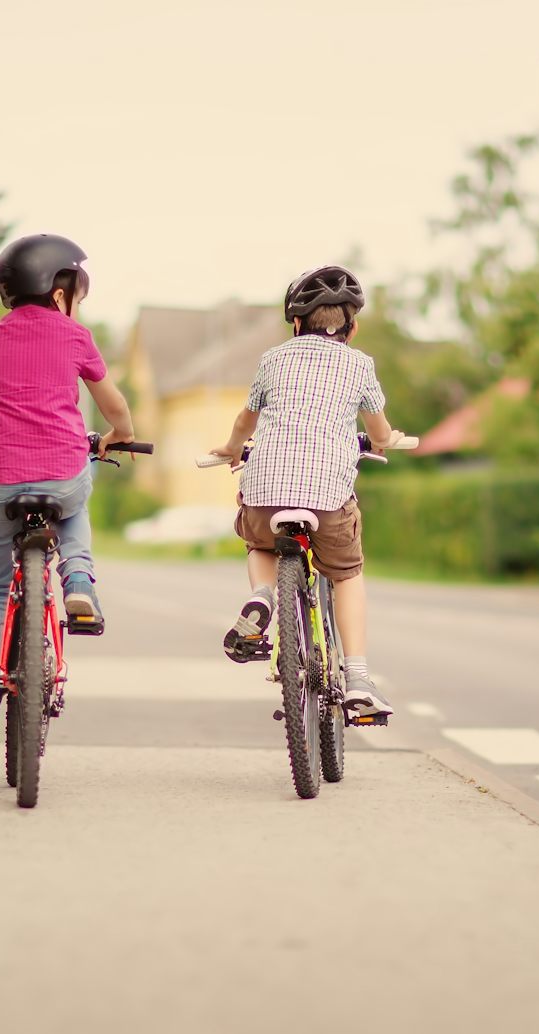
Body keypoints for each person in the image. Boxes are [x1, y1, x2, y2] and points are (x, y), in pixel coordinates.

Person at [0, 233, 136, 756]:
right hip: (61, 475)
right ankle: (77, 579)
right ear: (60, 293)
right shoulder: (76, 337)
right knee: (78, 490)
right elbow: (116, 408)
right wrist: (119, 435)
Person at [208, 265, 397, 720]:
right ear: (352, 326)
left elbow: (245, 421)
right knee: (346, 573)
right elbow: (378, 430)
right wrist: (385, 440)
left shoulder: (273, 359)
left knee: (260, 543)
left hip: (266, 491)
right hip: (327, 500)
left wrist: (232, 448)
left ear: (295, 322)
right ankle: (357, 677)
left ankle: (263, 595)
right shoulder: (360, 365)